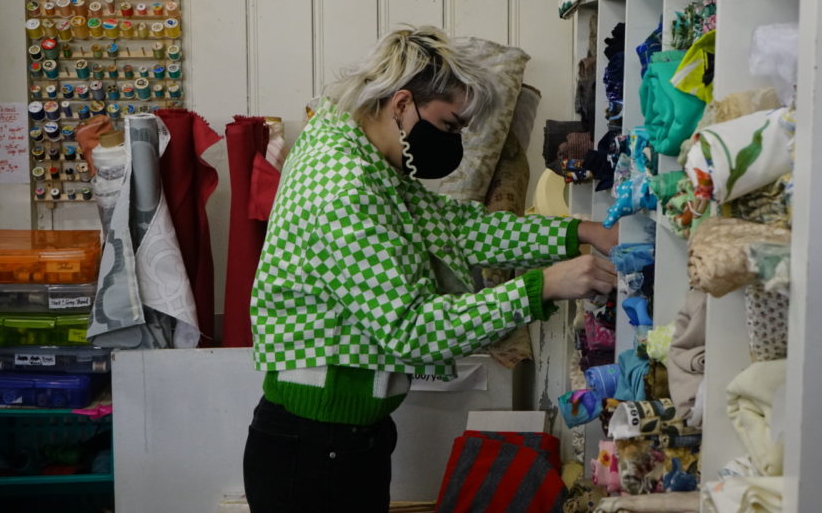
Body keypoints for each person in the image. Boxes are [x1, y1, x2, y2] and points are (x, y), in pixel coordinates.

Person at [242, 26, 619, 512]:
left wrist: (583, 232)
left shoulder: (367, 161)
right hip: (312, 451)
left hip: (349, 440)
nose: (452, 142)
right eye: (448, 125)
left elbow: (462, 228)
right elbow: (411, 329)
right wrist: (543, 285)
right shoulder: (343, 185)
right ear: (401, 104)